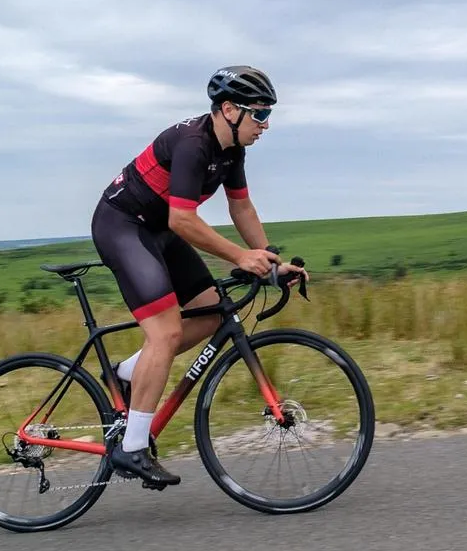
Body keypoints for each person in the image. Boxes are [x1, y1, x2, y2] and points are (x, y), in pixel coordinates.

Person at [90, 65, 308, 487]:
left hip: (160, 232)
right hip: (124, 227)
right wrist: (241, 257)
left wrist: (269, 261)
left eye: (269, 115)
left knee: (210, 314)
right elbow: (183, 218)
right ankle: (131, 448)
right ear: (229, 109)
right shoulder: (193, 144)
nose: (265, 125)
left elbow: (241, 208)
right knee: (167, 333)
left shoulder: (232, 152)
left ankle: (127, 373)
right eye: (259, 114)